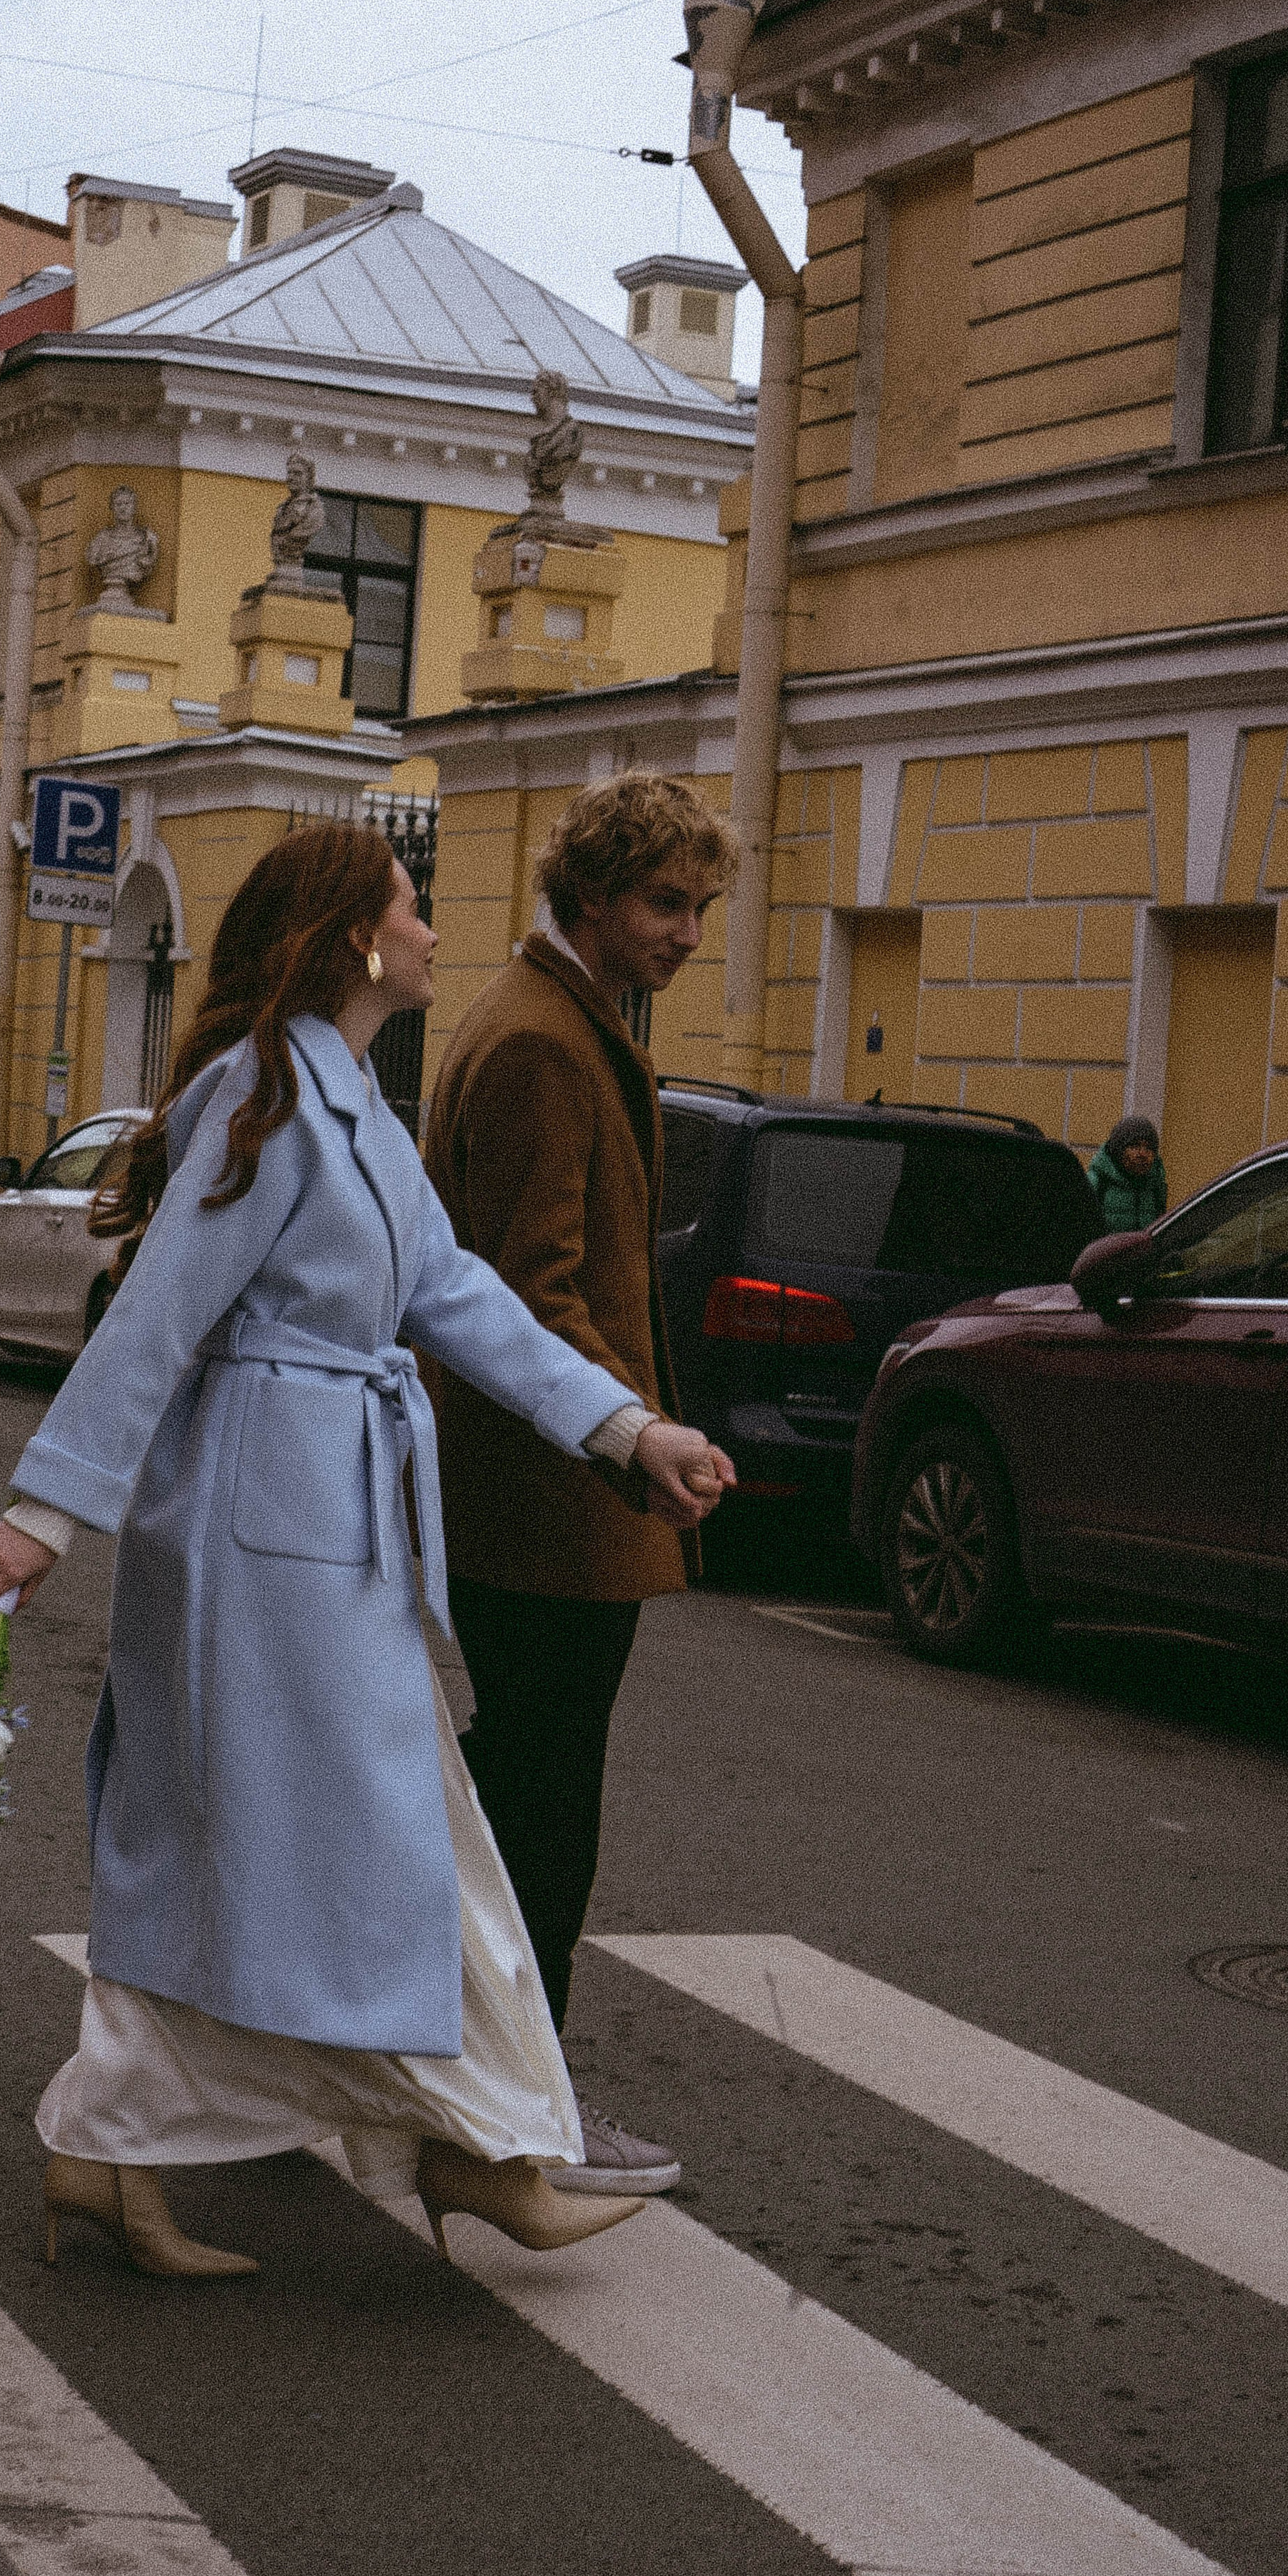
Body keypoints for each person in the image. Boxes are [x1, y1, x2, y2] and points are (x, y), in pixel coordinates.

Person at [0, 822, 734, 2282]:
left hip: (337, 1526)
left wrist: (625, 1431)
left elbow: (458, 1295)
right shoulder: (258, 1100)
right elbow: (154, 1325)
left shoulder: (354, 1105)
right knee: (357, 1845)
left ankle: (166, 2141)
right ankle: (468, 2147)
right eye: (411, 910)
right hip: (255, 1539)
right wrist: (44, 1512)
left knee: (303, 1847)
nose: (435, 933)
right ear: (348, 941)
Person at [422, 772, 736, 2201]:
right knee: (541, 1816)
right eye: (664, 903)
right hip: (548, 1506)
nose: (684, 932)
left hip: (531, 1492)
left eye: (697, 907)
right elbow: (526, 1292)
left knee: (509, 1800)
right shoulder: (545, 1043)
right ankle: (516, 2102)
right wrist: (636, 1431)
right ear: (593, 895)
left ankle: (451, 2073)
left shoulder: (545, 1017)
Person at [1089, 1114, 1167, 1232]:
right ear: (1119, 1150)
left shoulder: (1155, 1184)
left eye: (1149, 1148)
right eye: (1135, 1146)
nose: (1142, 1154)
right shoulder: (1098, 1181)